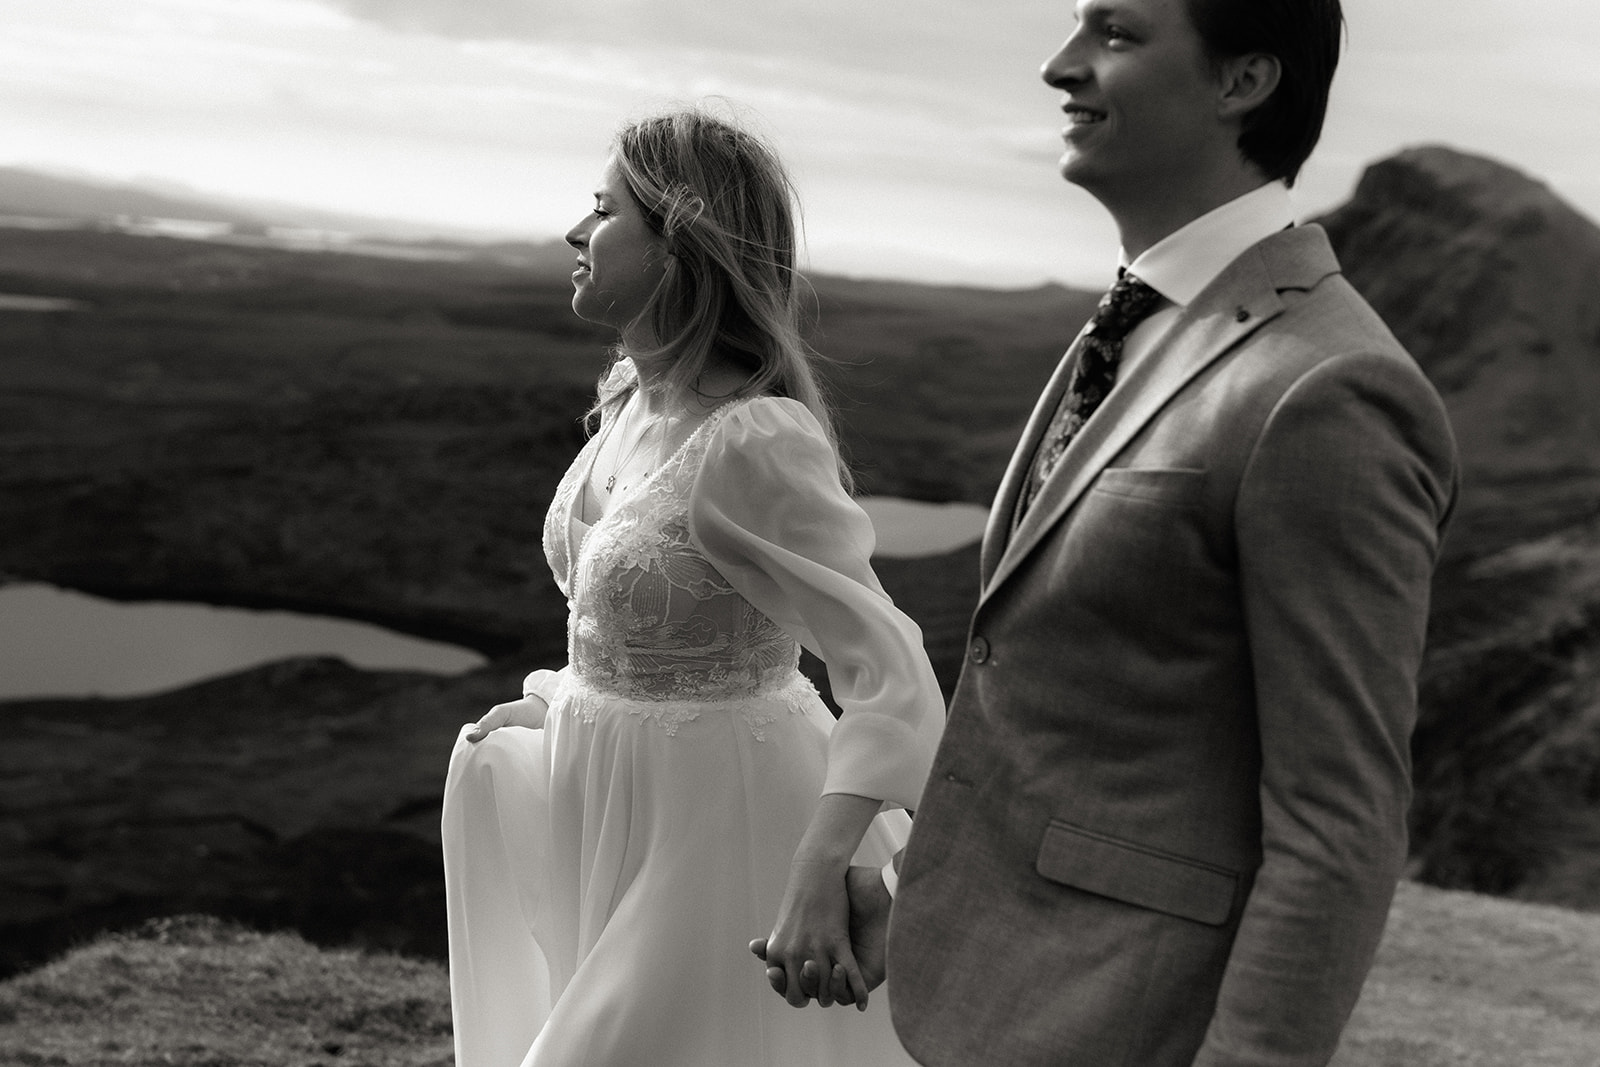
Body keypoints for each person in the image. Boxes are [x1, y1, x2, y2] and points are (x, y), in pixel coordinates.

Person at [773, 1, 1460, 1063]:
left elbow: (1339, 826)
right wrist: (915, 905)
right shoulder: (1137, 318)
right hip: (992, 990)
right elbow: (1071, 704)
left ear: (1241, 83)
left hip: (1129, 1024)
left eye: (1116, 34)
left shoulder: (1329, 388)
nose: (1059, 65)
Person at [440, 107, 942, 1067]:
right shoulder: (627, 403)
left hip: (728, 834)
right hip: (610, 816)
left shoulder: (755, 439)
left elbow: (892, 671)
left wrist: (816, 867)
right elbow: (648, 629)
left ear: (683, 241)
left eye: (603, 209)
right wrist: (559, 706)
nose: (576, 234)